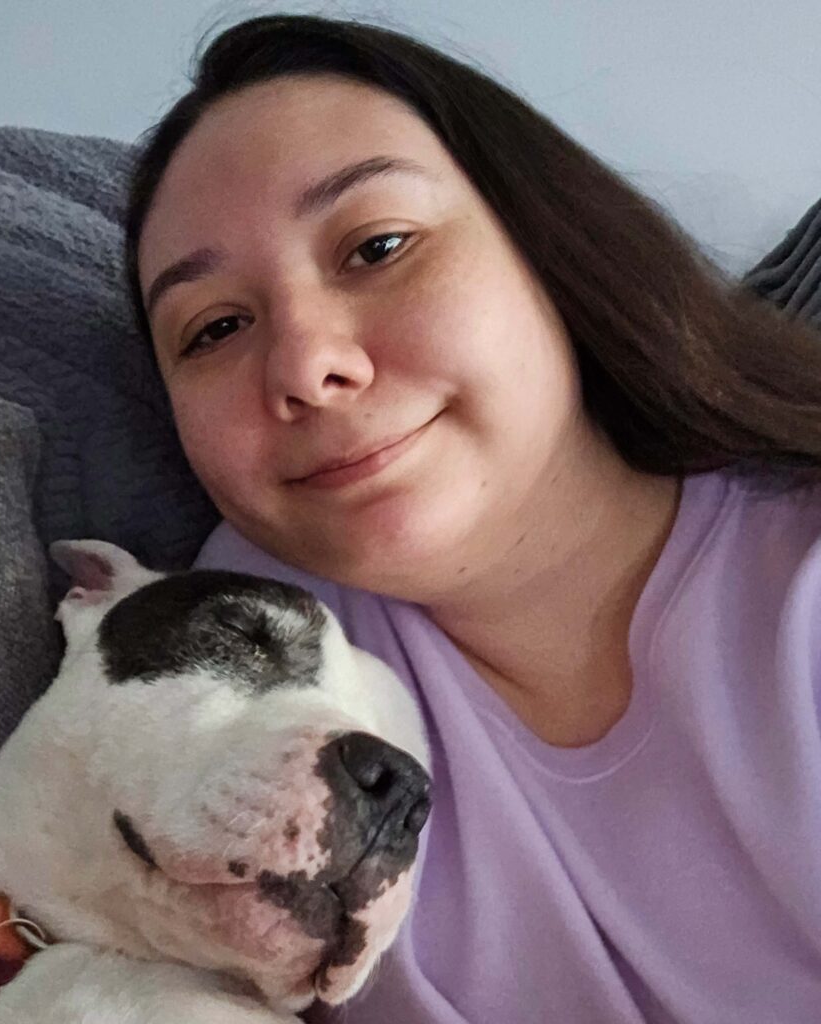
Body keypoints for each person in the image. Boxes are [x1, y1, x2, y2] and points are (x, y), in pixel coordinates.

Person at [122, 14, 821, 1023]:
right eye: (216, 327)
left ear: (549, 250)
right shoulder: (228, 652)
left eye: (377, 245)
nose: (304, 367)